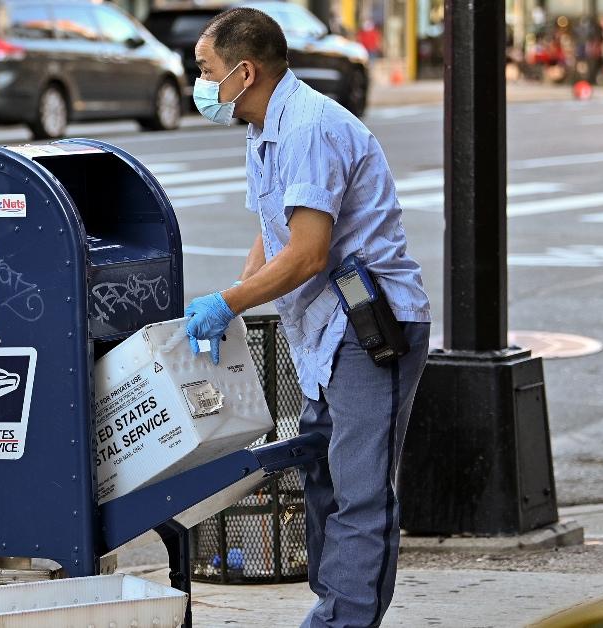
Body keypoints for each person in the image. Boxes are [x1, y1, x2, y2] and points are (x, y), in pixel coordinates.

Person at [182, 8, 431, 627]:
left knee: (359, 490)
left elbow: (308, 251)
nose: (200, 84)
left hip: (370, 329)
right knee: (320, 473)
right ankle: (334, 602)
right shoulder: (263, 128)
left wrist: (229, 303)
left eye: (205, 70)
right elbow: (273, 234)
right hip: (324, 330)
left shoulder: (308, 129)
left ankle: (343, 619)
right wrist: (237, 298)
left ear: (244, 71)